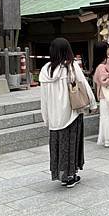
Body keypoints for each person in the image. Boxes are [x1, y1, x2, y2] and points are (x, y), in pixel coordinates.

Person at [39, 38, 97, 188]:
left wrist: (46, 117)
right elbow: (83, 84)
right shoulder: (71, 67)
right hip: (71, 113)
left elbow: (43, 98)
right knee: (72, 143)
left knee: (57, 145)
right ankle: (70, 175)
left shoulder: (45, 70)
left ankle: (61, 173)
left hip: (53, 115)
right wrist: (92, 103)